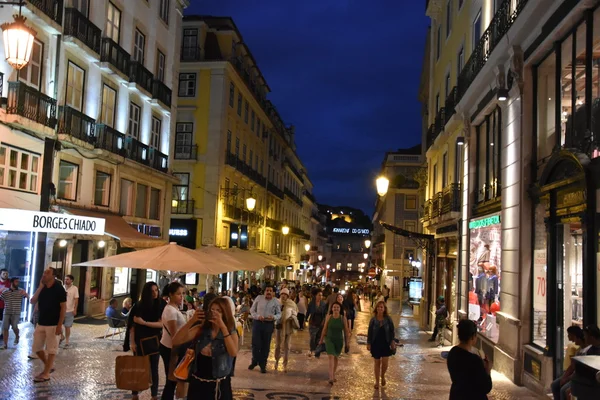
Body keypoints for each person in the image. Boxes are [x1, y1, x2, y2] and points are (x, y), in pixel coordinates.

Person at [172, 298, 238, 400]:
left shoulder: (230, 331)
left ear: (225, 313)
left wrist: (223, 327)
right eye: (212, 310)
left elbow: (233, 352)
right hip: (198, 383)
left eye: (219, 311)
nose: (214, 313)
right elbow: (176, 341)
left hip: (220, 384)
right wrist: (192, 321)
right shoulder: (201, 329)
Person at [30, 267, 67, 383]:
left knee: (51, 350)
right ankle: (48, 366)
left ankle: (46, 374)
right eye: (44, 272)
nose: (44, 274)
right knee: (36, 348)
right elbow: (32, 300)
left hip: (53, 324)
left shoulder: (59, 288)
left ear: (53, 275)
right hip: (41, 323)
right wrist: (40, 286)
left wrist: (59, 325)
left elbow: (63, 308)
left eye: (47, 273)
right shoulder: (43, 288)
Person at [129, 282, 163, 400]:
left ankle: (154, 395)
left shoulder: (160, 304)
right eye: (152, 291)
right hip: (139, 342)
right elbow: (132, 326)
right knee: (137, 368)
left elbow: (161, 324)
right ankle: (135, 394)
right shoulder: (138, 306)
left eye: (156, 290)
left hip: (154, 342)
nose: (155, 293)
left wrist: (144, 323)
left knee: (154, 369)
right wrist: (132, 342)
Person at [447, 319, 492, 399]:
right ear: (472, 337)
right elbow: (486, 387)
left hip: (456, 395)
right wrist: (487, 370)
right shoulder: (474, 360)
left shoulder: (452, 353)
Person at [160, 282, 187, 400]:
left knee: (173, 379)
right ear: (170, 294)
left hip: (173, 347)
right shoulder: (170, 310)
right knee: (171, 379)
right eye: (178, 294)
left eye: (183, 294)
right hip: (171, 348)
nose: (182, 297)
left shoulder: (175, 308)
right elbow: (175, 335)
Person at [248, 284, 281, 373]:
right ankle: (255, 361)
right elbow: (252, 310)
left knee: (265, 346)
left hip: (268, 325)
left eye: (270, 291)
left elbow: (279, 314)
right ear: (264, 291)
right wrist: (258, 316)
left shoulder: (276, 301)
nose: (268, 292)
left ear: (273, 293)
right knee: (256, 344)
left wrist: (273, 317)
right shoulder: (259, 298)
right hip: (258, 323)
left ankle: (263, 364)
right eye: (267, 290)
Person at [319, 301, 350, 385]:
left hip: (339, 341)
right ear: (332, 309)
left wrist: (347, 343)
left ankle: (333, 373)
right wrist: (321, 340)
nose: (336, 309)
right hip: (329, 339)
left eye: (337, 307)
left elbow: (346, 332)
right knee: (331, 356)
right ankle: (331, 377)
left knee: (336, 357)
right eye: (334, 307)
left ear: (340, 309)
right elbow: (324, 329)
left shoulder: (343, 318)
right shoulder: (328, 317)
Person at [551, 326, 586, 400]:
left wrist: (566, 379)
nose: (568, 336)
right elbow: (572, 366)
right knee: (554, 385)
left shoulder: (584, 350)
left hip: (578, 377)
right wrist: (564, 377)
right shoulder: (579, 349)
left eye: (569, 334)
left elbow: (578, 371)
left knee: (564, 390)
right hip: (572, 374)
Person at [367, 301, 396, 389]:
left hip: (385, 343)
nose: (380, 308)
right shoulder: (373, 319)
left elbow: (392, 332)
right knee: (376, 363)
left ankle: (382, 375)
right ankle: (377, 382)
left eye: (381, 307)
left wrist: (392, 342)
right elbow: (370, 332)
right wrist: (368, 343)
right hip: (376, 343)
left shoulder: (388, 319)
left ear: (384, 309)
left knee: (385, 363)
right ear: (376, 309)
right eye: (378, 307)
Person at [0, 277, 29, 349]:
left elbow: (29, 299)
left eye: (18, 282)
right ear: (12, 282)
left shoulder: (21, 291)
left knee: (14, 327)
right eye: (16, 281)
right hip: (6, 312)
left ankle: (17, 336)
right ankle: (5, 344)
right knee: (5, 328)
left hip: (16, 312)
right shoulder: (6, 291)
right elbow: (0, 298)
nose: (17, 283)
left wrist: (26, 294)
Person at [274, 288, 298, 372]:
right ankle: (276, 361)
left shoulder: (292, 304)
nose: (283, 296)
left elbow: (295, 313)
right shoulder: (276, 302)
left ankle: (285, 364)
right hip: (279, 327)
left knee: (287, 346)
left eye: (285, 295)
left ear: (288, 296)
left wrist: (292, 316)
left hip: (288, 327)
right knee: (277, 345)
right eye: (282, 294)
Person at [306, 288, 327, 357]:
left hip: (320, 323)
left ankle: (317, 351)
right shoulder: (311, 303)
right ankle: (312, 350)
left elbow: (325, 314)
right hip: (312, 322)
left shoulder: (323, 304)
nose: (320, 297)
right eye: (319, 295)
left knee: (318, 338)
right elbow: (308, 312)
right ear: (315, 296)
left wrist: (324, 322)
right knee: (312, 337)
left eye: (321, 295)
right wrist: (305, 320)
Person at [62, 274, 79, 348]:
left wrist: (75, 309)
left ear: (71, 280)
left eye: (67, 279)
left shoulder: (74, 288)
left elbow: (76, 299)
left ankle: (67, 341)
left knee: (67, 326)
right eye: (65, 279)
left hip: (70, 310)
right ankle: (61, 337)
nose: (66, 281)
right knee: (58, 325)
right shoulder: (62, 287)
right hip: (61, 310)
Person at [0, 269, 10, 342]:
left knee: (5, 323)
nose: (5, 275)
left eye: (6, 273)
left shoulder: (10, 283)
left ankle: (3, 336)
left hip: (6, 306)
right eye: (4, 274)